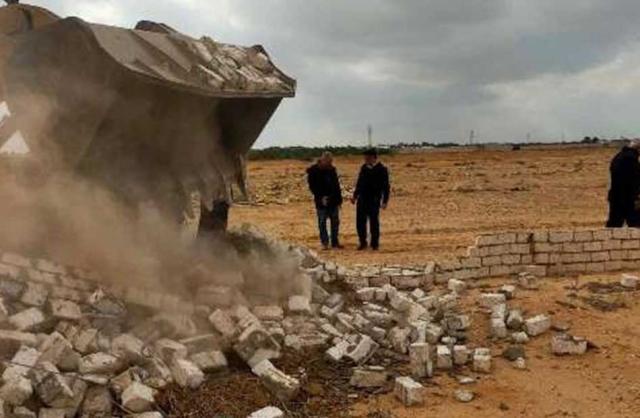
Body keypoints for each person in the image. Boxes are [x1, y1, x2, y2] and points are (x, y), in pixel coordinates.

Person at [351, 148, 390, 250]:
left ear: (373, 157)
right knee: (360, 222)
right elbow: (359, 183)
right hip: (362, 199)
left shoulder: (382, 169)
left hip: (374, 200)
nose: (365, 159)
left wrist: (385, 201)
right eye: (365, 157)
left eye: (367, 157)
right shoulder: (363, 168)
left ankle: (374, 244)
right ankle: (362, 242)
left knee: (374, 223)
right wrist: (355, 196)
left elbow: (386, 187)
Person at [307, 152, 343, 250]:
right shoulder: (313, 171)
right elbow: (312, 187)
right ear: (322, 160)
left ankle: (335, 242)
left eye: (331, 161)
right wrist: (321, 197)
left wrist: (339, 200)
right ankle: (325, 243)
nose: (330, 163)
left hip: (333, 200)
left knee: (335, 222)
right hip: (321, 201)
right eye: (328, 162)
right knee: (322, 222)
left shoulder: (332, 170)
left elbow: (336, 185)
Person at [606, 140, 640, 227]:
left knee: (614, 224)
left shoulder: (617, 157)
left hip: (615, 196)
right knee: (636, 224)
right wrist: (636, 198)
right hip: (628, 198)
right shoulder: (631, 159)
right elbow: (634, 180)